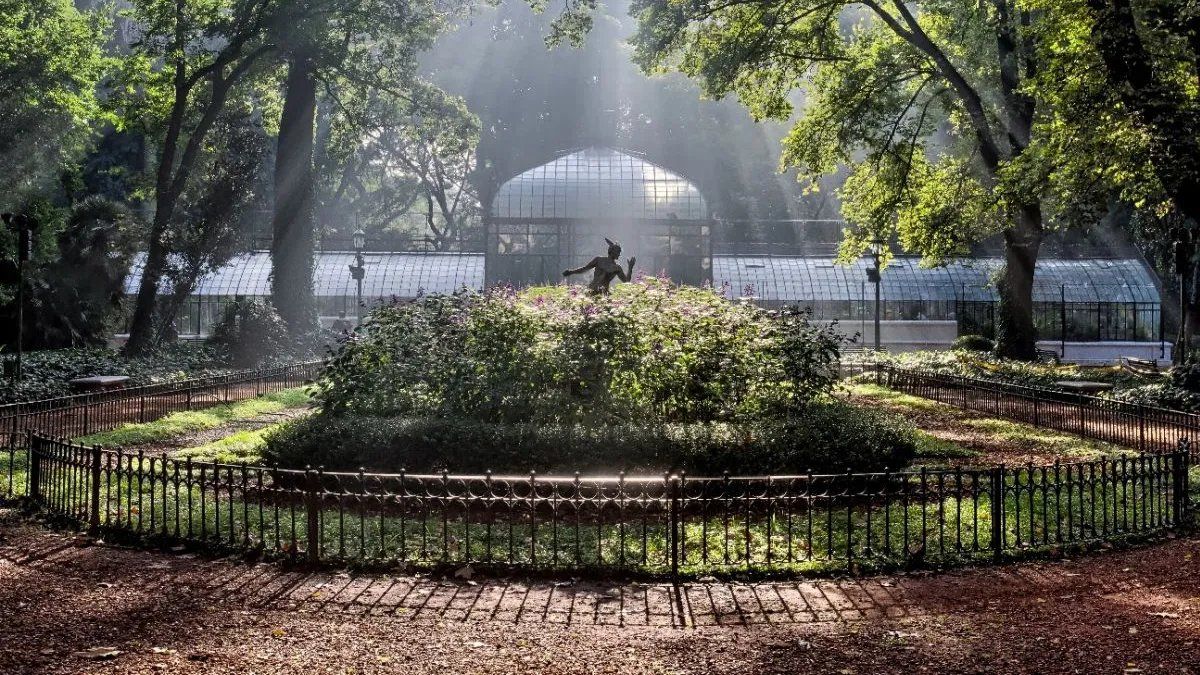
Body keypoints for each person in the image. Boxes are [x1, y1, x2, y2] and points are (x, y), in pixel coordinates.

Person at [563, 238, 636, 295]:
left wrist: (630, 268)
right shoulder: (598, 260)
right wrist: (571, 272)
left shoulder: (617, 267)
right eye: (618, 252)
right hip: (591, 290)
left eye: (619, 252)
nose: (619, 254)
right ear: (612, 251)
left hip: (603, 294)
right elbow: (585, 269)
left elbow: (626, 281)